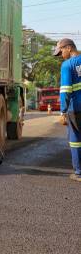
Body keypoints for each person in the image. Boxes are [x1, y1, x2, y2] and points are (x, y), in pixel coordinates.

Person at [54, 38, 81, 182]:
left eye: (61, 51)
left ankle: (79, 173)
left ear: (69, 48)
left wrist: (63, 111)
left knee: (75, 140)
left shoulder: (67, 65)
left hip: (76, 108)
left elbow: (65, 90)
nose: (61, 55)